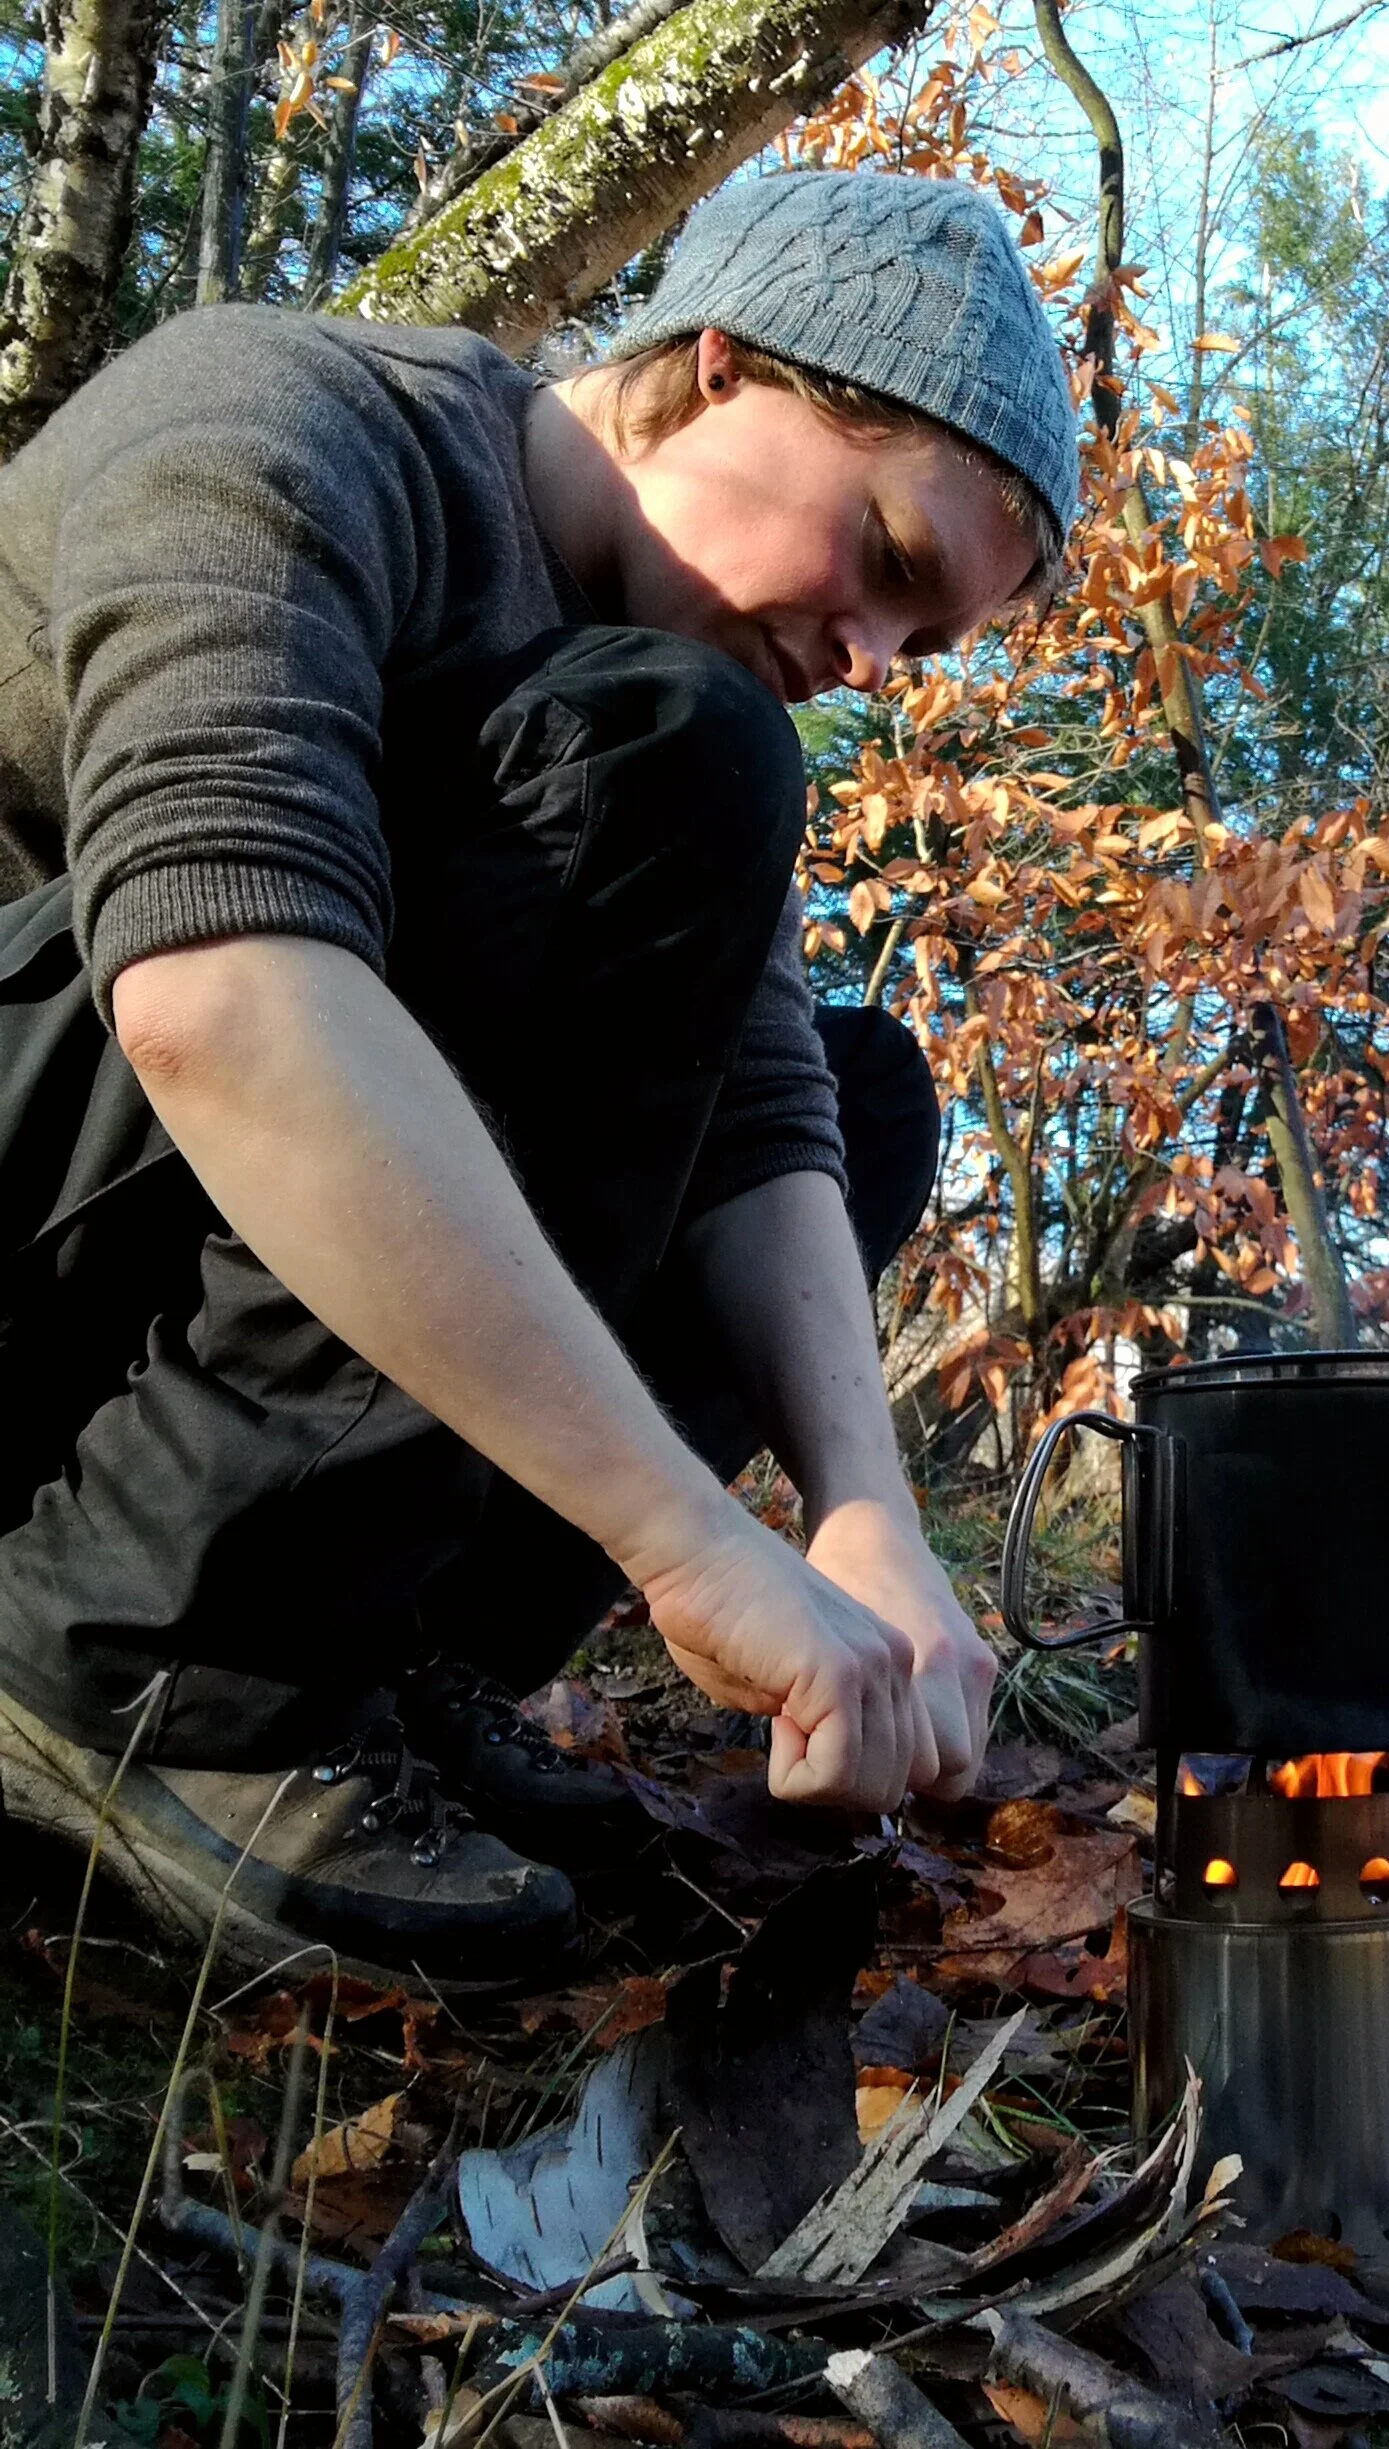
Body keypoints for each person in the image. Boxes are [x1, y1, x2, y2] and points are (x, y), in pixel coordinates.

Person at [0, 171, 1073, 1982]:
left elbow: (763, 1116)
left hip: (131, 1277)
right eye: (888, 563)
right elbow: (216, 993)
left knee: (854, 1094)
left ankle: (356, 1649)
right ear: (725, 365)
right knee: (672, 763)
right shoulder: (286, 415)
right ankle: (142, 1665)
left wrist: (866, 1516)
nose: (870, 662)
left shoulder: (646, 691)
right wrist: (684, 1542)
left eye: (924, 644)